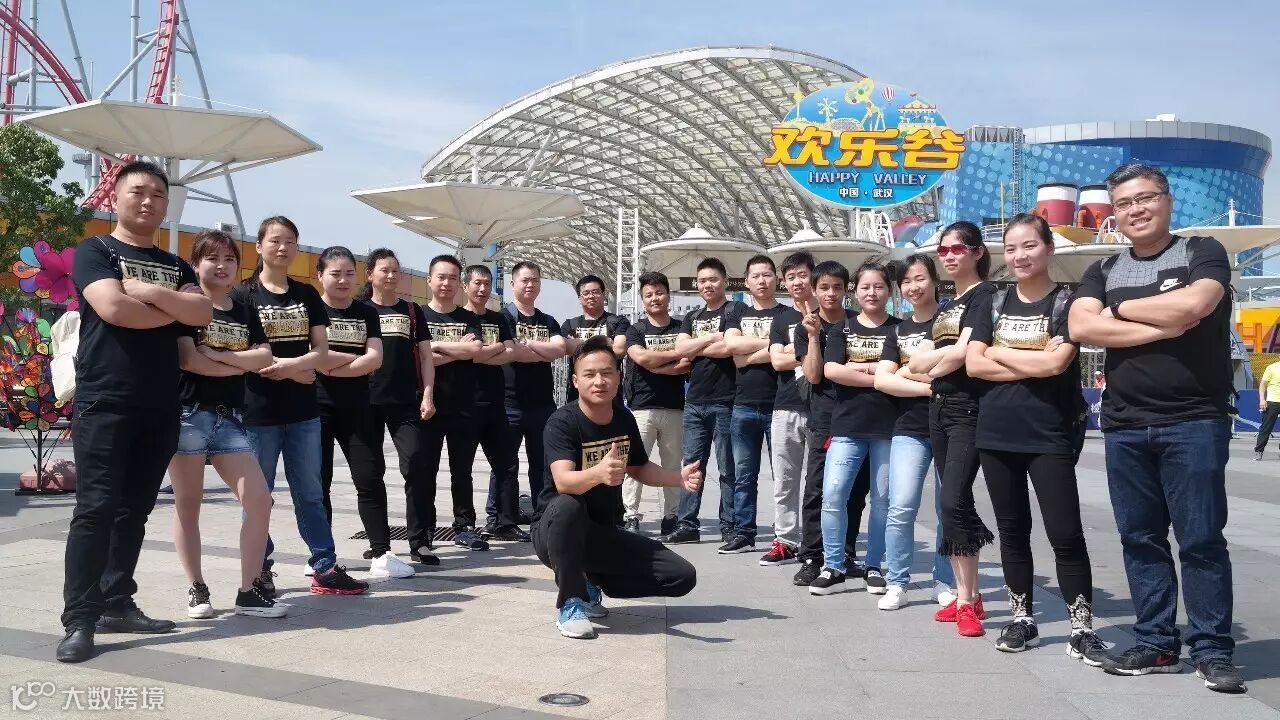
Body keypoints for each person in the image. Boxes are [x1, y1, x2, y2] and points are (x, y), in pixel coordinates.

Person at [1070, 163, 1244, 693]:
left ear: (1166, 201)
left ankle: (1212, 649)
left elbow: (1196, 304)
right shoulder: (1103, 268)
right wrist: (1161, 322)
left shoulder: (1201, 251)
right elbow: (1080, 325)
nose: (1136, 210)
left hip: (1194, 420)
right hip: (1125, 425)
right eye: (1124, 203)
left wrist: (1119, 312)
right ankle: (1156, 642)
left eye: (1145, 198)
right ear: (1114, 214)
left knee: (1201, 540)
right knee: (1139, 539)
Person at [59, 161, 213, 663]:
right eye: (138, 192)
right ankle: (80, 619)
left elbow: (203, 313)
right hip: (105, 398)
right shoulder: (96, 251)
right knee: (96, 508)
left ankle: (117, 601)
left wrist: (147, 292)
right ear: (115, 198)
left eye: (158, 195)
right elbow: (113, 309)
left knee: (135, 510)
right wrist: (173, 307)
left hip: (162, 402)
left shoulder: (177, 265)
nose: (148, 201)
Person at [965, 214, 1108, 663]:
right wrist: (1027, 359)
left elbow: (1055, 365)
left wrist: (999, 353)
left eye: (1029, 246)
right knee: (1012, 532)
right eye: (1011, 248)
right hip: (995, 432)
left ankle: (1082, 627)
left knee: (1065, 533)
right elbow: (973, 365)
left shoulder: (1069, 302)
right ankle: (1022, 618)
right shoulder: (992, 301)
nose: (1019, 256)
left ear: (1048, 248)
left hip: (1049, 433)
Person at [234, 217, 368, 597]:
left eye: (290, 241)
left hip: (303, 414)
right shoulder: (243, 296)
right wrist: (298, 370)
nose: (283, 247)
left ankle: (324, 566)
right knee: (258, 496)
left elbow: (321, 351)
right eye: (275, 240)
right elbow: (243, 353)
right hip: (258, 413)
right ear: (259, 246)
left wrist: (291, 367)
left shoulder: (306, 294)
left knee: (310, 492)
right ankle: (259, 568)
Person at [534, 335, 701, 639]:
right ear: (575, 381)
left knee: (681, 576)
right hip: (555, 532)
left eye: (606, 373)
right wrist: (598, 473)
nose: (599, 381)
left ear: (618, 377)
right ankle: (571, 602)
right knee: (568, 504)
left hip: (601, 532)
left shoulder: (623, 418)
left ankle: (592, 582)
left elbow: (638, 467)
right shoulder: (562, 422)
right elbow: (563, 481)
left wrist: (677, 478)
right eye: (589, 374)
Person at [170, 230, 285, 620]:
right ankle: (197, 588)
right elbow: (189, 360)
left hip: (230, 417)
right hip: (189, 414)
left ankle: (248, 592)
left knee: (259, 500)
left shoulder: (243, 308)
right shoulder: (187, 305)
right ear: (196, 264)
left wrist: (220, 356)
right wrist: (239, 362)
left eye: (229, 259)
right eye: (212, 258)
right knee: (188, 504)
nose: (221, 266)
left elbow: (264, 357)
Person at [907, 221, 996, 637]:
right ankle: (970, 596)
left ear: (977, 252)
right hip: (938, 408)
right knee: (954, 502)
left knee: (952, 500)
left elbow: (962, 354)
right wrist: (937, 362)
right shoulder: (947, 307)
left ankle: (964, 601)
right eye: (942, 250)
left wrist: (935, 362)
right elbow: (917, 360)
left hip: (968, 409)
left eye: (957, 249)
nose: (948, 256)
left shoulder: (984, 296)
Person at [314, 247, 414, 579]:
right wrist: (353, 363)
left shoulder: (366, 312)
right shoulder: (313, 310)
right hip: (317, 407)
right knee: (319, 483)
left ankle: (382, 553)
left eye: (348, 274)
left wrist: (332, 364)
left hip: (358, 408)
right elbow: (316, 358)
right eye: (335, 274)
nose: (343, 280)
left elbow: (375, 359)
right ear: (320, 275)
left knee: (369, 478)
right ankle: (321, 556)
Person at [872, 254, 957, 610]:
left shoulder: (952, 321)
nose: (913, 287)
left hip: (952, 426)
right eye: (906, 282)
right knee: (901, 505)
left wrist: (906, 373)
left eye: (920, 278)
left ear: (934, 280)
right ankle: (897, 582)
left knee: (948, 508)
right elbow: (882, 380)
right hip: (909, 428)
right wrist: (928, 387)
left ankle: (944, 580)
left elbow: (953, 367)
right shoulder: (898, 331)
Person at [809, 263, 900, 595]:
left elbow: (906, 372)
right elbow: (832, 371)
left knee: (882, 500)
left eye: (878, 286)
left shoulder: (900, 330)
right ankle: (833, 565)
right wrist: (882, 374)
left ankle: (873, 564)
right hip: (846, 427)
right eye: (865, 287)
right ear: (855, 291)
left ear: (889, 291)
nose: (871, 293)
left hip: (890, 429)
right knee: (833, 495)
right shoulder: (841, 330)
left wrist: (857, 369)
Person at [792, 261, 870, 586]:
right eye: (824, 287)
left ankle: (845, 554)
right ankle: (812, 556)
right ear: (814, 289)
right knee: (817, 490)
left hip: (859, 417)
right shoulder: (805, 327)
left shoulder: (858, 323)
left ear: (847, 289)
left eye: (837, 287)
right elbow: (813, 375)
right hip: (824, 420)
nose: (831, 293)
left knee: (856, 491)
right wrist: (813, 338)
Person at [362, 248, 440, 566]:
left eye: (395, 270)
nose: (391, 275)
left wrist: (428, 395)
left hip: (406, 402)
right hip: (365, 402)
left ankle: (419, 542)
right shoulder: (359, 310)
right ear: (370, 274)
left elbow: (426, 357)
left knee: (418, 465)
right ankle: (379, 544)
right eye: (384, 270)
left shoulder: (411, 310)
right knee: (370, 474)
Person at [665, 258, 742, 544]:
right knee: (692, 466)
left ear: (724, 281)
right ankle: (687, 524)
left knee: (727, 469)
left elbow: (728, 349)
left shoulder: (735, 310)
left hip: (726, 401)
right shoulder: (692, 316)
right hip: (694, 402)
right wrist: (711, 338)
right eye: (702, 281)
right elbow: (680, 348)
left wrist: (696, 347)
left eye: (713, 279)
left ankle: (729, 525)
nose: (707, 285)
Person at [420, 255, 489, 552]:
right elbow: (418, 358)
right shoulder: (419, 315)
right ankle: (425, 527)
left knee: (462, 470)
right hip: (429, 404)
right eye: (441, 277)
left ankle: (465, 526)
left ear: (459, 284)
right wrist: (456, 349)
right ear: (429, 280)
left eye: (452, 278)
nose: (446, 283)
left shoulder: (468, 317)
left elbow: (474, 350)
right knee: (426, 469)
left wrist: (434, 346)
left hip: (464, 405)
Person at [490, 261, 567, 517]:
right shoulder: (503, 318)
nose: (530, 285)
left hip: (542, 405)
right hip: (508, 404)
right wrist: (541, 351)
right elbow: (514, 354)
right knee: (504, 464)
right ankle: (499, 517)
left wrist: (529, 344)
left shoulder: (548, 320)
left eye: (535, 280)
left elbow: (559, 349)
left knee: (542, 464)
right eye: (525, 280)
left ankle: (542, 514)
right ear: (513, 284)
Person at [721, 255, 785, 554]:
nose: (762, 281)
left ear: (777, 280)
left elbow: (789, 349)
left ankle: (784, 535)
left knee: (782, 477)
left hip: (780, 405)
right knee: (744, 476)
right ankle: (744, 533)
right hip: (743, 405)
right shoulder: (737, 313)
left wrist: (749, 355)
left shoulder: (788, 314)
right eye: (756, 276)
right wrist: (775, 344)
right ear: (746, 281)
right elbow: (733, 346)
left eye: (767, 275)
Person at [463, 265, 530, 542]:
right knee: (462, 468)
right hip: (465, 404)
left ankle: (504, 522)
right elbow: (471, 355)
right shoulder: (460, 318)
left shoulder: (498, 318)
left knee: (507, 464)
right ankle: (465, 525)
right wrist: (495, 349)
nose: (482, 289)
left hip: (496, 404)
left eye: (486, 283)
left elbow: (511, 352)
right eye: (477, 283)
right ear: (466, 286)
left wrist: (482, 352)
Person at [623, 272, 690, 535]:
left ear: (668, 296)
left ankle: (671, 516)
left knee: (673, 466)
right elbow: (640, 358)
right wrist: (673, 356)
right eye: (649, 295)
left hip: (674, 407)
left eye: (659, 293)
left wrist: (657, 366)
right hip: (642, 408)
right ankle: (631, 515)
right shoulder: (635, 330)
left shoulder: (681, 328)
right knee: (635, 463)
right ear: (642, 300)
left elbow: (687, 363)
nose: (655, 298)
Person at [760, 252, 815, 566]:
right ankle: (786, 540)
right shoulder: (781, 319)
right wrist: (809, 349)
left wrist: (792, 351)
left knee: (821, 482)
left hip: (822, 409)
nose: (797, 282)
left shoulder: (830, 312)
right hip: (786, 408)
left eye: (802, 275)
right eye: (791, 277)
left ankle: (818, 542)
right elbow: (777, 361)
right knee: (785, 480)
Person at [561, 274, 631, 405]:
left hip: (611, 394)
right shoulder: (569, 325)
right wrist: (604, 341)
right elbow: (566, 348)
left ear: (603, 295)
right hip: (577, 395)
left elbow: (620, 349)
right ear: (580, 298)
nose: (591, 296)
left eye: (595, 292)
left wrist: (579, 344)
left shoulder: (618, 322)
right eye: (586, 293)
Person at [1253, 358, 1280, 460]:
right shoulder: (1272, 367)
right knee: (1266, 428)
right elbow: (1262, 385)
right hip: (1273, 401)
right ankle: (1259, 451)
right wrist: (1262, 399)